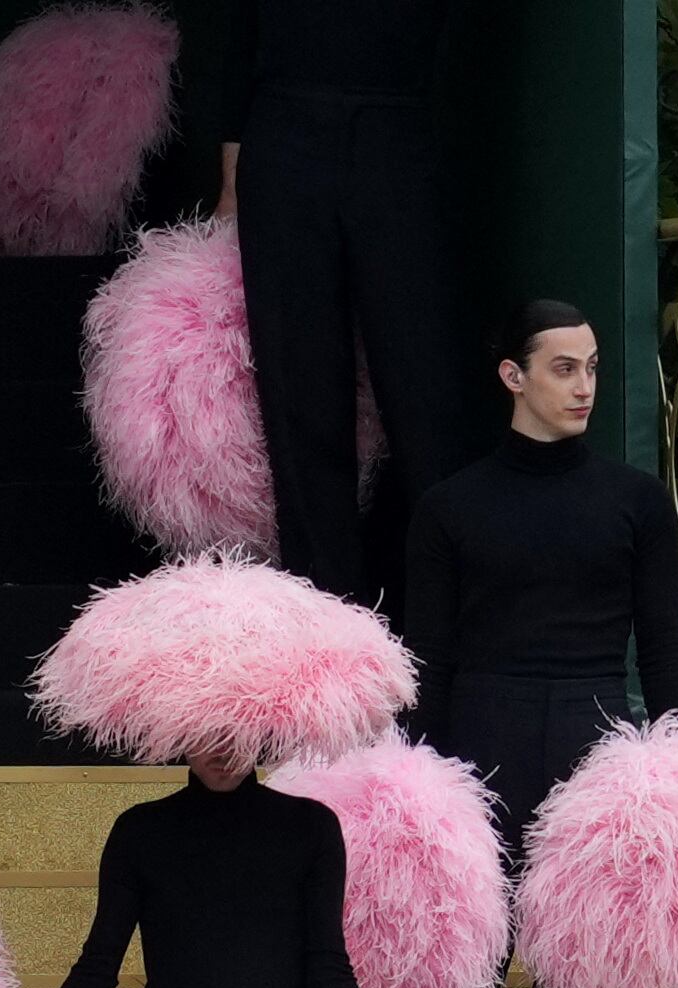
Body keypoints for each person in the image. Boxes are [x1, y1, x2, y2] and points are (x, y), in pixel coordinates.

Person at [399, 301, 678, 988]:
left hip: (595, 742)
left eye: (593, 367)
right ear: (513, 375)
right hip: (476, 744)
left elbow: (665, 650)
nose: (583, 386)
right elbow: (427, 661)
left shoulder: (635, 502)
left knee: (583, 987)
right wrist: (423, 790)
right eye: (564, 367)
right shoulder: (451, 505)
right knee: (459, 977)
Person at [208, 0, 474, 600]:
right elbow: (238, 45)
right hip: (283, 133)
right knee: (298, 383)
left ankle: (458, 610)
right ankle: (323, 610)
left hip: (398, 128)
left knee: (424, 381)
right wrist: (230, 186)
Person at [0, 751, 410, 988]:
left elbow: (327, 971)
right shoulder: (141, 832)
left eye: (236, 730)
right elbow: (96, 971)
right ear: (179, 728)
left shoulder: (310, 828)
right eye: (207, 730)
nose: (223, 748)